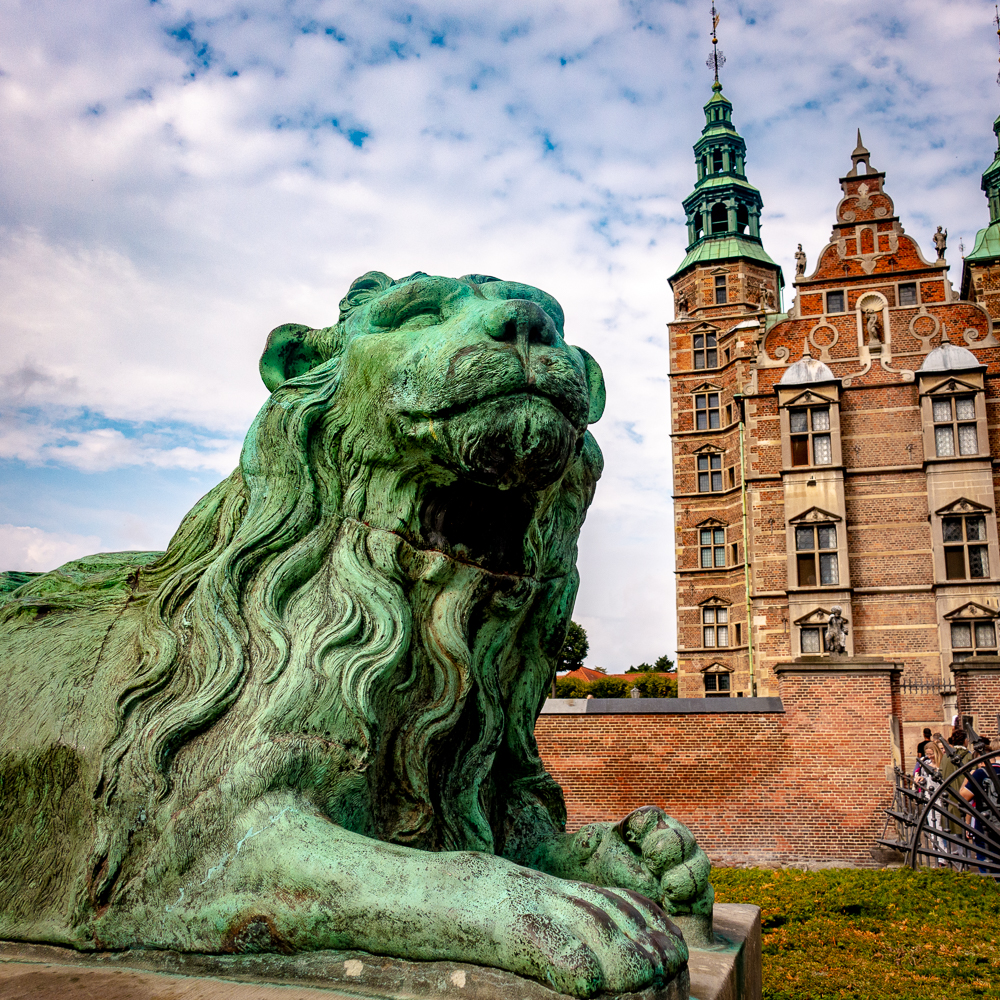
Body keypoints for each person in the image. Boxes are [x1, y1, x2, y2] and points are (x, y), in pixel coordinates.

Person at [959, 741, 1000, 874]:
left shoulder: (981, 773)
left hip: (986, 825)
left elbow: (964, 796)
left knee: (986, 860)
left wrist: (969, 778)